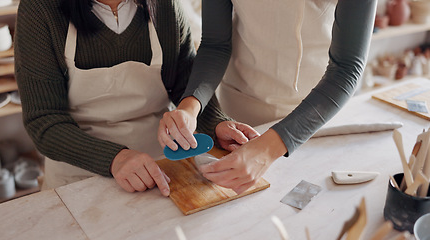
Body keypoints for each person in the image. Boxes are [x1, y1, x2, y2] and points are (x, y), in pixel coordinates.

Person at [14, 0, 259, 196]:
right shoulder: (40, 9)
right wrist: (114, 159)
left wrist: (215, 124)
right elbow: (44, 121)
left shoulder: (165, 6)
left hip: (161, 168)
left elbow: (186, 86)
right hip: (76, 173)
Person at [158, 0, 377, 194]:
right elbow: (216, 45)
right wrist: (190, 106)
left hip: (319, 114)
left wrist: (268, 148)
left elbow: (347, 68)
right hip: (242, 113)